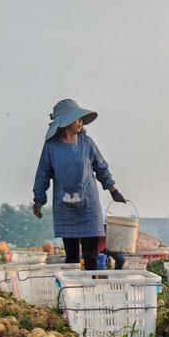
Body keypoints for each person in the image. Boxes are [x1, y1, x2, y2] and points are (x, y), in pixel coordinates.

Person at [32, 99, 127, 271]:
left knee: (91, 253)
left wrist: (113, 190)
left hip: (89, 207)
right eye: (77, 119)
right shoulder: (51, 147)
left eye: (81, 119)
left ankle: (92, 287)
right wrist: (39, 199)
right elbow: (43, 173)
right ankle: (73, 290)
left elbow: (101, 168)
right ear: (66, 122)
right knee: (72, 257)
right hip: (65, 207)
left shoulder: (87, 143)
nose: (81, 122)